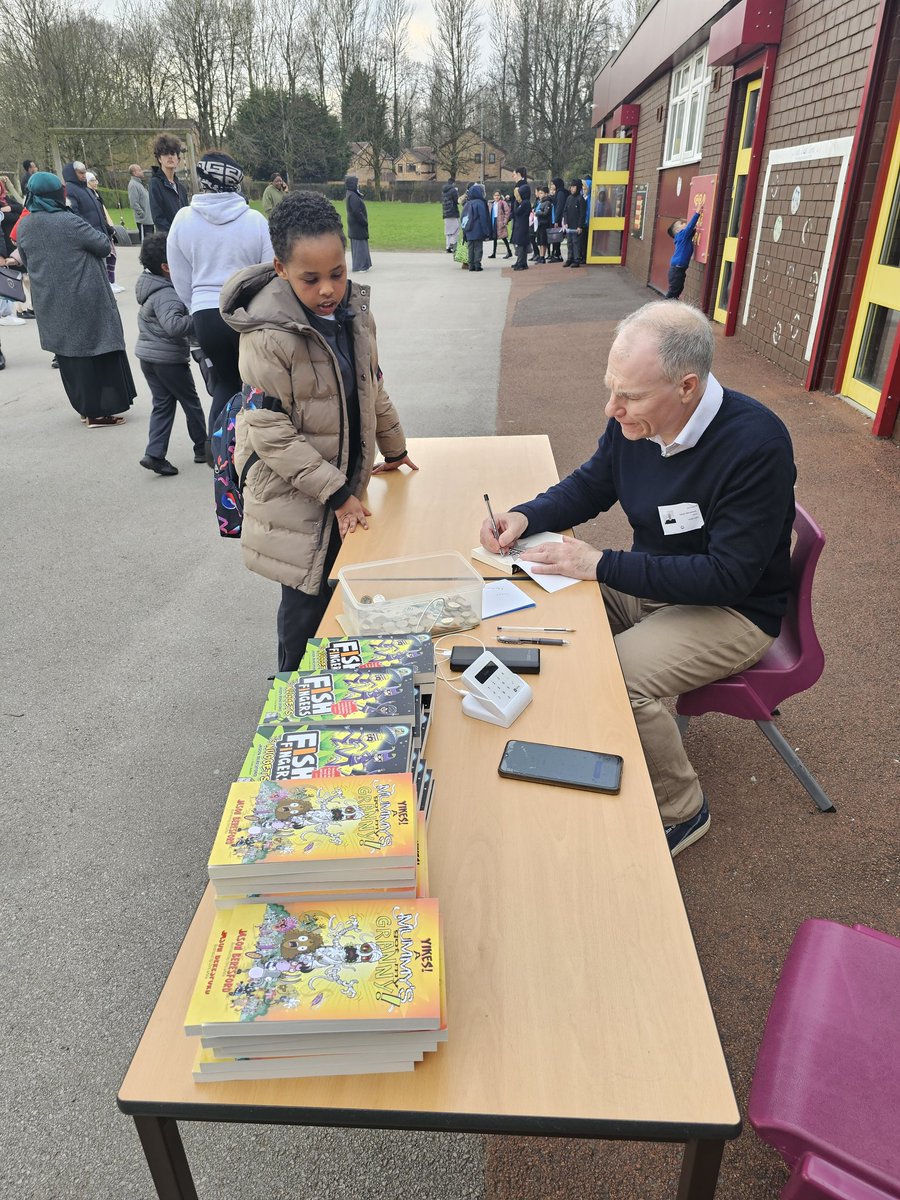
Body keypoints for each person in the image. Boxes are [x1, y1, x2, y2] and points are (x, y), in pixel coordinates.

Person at [479, 301, 796, 857]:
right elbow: (592, 484)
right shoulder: (637, 421)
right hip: (658, 585)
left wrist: (598, 564)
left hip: (733, 610)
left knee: (617, 674)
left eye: (629, 396)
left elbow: (727, 577)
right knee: (542, 591)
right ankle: (599, 733)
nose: (613, 408)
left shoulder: (757, 446)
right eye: (611, 389)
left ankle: (682, 809)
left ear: (687, 388)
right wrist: (525, 515)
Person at [220, 190, 419, 671]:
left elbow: (372, 387)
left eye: (338, 273)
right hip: (296, 494)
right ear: (282, 268)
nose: (328, 289)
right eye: (311, 279)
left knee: (346, 583)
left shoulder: (356, 314)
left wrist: (394, 447)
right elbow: (268, 431)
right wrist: (334, 492)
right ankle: (290, 686)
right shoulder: (268, 335)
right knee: (306, 598)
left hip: (344, 483)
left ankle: (337, 678)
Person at [16, 172, 135, 427]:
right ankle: (98, 412)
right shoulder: (68, 221)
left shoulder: (25, 224)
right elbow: (103, 245)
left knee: (71, 359)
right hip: (84, 299)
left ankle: (84, 409)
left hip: (49, 301)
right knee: (97, 353)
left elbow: (25, 259)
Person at [166, 150, 273, 430]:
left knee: (225, 383)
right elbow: (268, 273)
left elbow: (179, 275)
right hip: (245, 313)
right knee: (253, 383)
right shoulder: (255, 221)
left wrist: (196, 304)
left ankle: (217, 451)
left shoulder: (183, 219)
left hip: (205, 314)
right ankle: (251, 450)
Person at [135, 232, 209, 476]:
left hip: (149, 357)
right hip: (167, 360)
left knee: (163, 405)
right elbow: (174, 326)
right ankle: (203, 448)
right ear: (167, 267)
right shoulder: (166, 293)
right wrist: (200, 317)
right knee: (191, 403)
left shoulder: (153, 287)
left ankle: (154, 454)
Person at [85, 172, 123, 292]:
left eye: (95, 180)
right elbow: (97, 215)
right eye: (92, 180)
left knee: (112, 256)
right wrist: (108, 228)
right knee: (107, 257)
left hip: (105, 228)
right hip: (100, 229)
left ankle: (112, 281)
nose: (95, 183)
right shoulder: (89, 196)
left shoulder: (96, 195)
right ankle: (108, 283)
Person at [148, 134, 188, 233]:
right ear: (159, 158)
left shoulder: (181, 188)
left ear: (178, 159)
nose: (170, 156)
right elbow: (158, 217)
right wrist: (174, 233)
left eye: (173, 153)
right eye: (165, 153)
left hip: (183, 238)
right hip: (166, 239)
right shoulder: (155, 183)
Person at [666, 205, 703, 300]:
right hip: (677, 269)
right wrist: (697, 213)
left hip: (678, 269)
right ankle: (663, 307)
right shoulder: (682, 235)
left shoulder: (683, 237)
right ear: (678, 230)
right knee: (673, 292)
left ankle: (671, 306)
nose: (684, 223)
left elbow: (691, 230)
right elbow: (690, 227)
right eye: (682, 224)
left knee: (678, 289)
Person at [461, 183, 490, 272]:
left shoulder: (467, 203)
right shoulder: (481, 203)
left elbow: (463, 217)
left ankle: (471, 265)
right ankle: (477, 264)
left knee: (470, 248)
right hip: (478, 229)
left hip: (468, 229)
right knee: (478, 247)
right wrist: (486, 231)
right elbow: (483, 218)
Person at [344, 175, 371, 272]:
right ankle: (360, 266)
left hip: (355, 225)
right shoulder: (352, 196)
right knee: (359, 246)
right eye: (356, 183)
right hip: (357, 225)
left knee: (361, 245)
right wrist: (364, 221)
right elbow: (356, 212)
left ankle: (364, 264)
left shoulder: (352, 194)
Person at [510, 168, 531, 271]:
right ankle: (521, 261)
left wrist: (516, 203)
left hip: (522, 223)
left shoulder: (525, 201)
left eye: (514, 175)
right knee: (519, 241)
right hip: (520, 222)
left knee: (521, 242)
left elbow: (517, 211)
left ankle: (521, 262)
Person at [128, 164, 153, 241]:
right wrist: (142, 214)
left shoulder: (140, 184)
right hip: (143, 221)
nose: (142, 172)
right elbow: (134, 202)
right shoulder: (133, 185)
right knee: (145, 243)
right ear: (135, 173)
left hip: (149, 220)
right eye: (140, 170)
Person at [488, 190, 511, 259]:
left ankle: (509, 252)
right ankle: (494, 253)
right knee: (494, 238)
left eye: (498, 195)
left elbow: (507, 212)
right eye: (495, 195)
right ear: (493, 196)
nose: (496, 197)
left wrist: (505, 221)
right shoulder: (492, 203)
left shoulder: (502, 203)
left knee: (503, 237)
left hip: (501, 222)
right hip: (494, 221)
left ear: (500, 196)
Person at [548, 177, 566, 261]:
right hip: (556, 217)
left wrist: (556, 220)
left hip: (558, 218)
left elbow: (559, 206)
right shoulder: (558, 192)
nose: (552, 186)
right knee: (555, 237)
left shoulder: (560, 193)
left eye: (553, 184)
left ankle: (557, 254)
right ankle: (555, 253)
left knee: (556, 237)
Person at [533, 185, 552, 264]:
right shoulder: (540, 202)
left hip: (544, 223)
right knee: (540, 241)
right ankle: (541, 256)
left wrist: (537, 213)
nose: (540, 195)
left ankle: (542, 257)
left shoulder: (547, 202)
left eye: (541, 193)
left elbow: (545, 213)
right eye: (539, 193)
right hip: (539, 223)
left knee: (543, 242)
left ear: (546, 194)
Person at [441, 178, 460, 254]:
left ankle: (447, 247)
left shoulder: (443, 191)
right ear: (453, 183)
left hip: (445, 213)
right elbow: (457, 201)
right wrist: (457, 192)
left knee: (448, 231)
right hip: (453, 212)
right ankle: (453, 246)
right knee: (456, 230)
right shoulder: (453, 190)